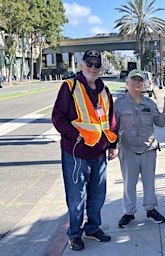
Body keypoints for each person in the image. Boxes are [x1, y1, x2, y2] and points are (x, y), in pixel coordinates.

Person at [52, 49, 116, 251]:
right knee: (76, 196)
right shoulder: (69, 87)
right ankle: (75, 234)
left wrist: (112, 145)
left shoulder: (104, 90)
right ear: (82, 65)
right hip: (76, 153)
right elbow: (58, 117)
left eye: (97, 65)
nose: (93, 68)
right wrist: (75, 135)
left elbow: (110, 120)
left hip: (99, 153)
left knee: (98, 194)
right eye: (89, 64)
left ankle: (93, 228)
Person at [114, 69, 165, 228]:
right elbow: (113, 127)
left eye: (140, 80)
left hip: (148, 149)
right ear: (127, 82)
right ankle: (129, 212)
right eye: (134, 80)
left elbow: (160, 122)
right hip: (128, 149)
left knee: (149, 182)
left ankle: (151, 209)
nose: (137, 83)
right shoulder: (119, 104)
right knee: (129, 183)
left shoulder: (149, 103)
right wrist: (111, 146)